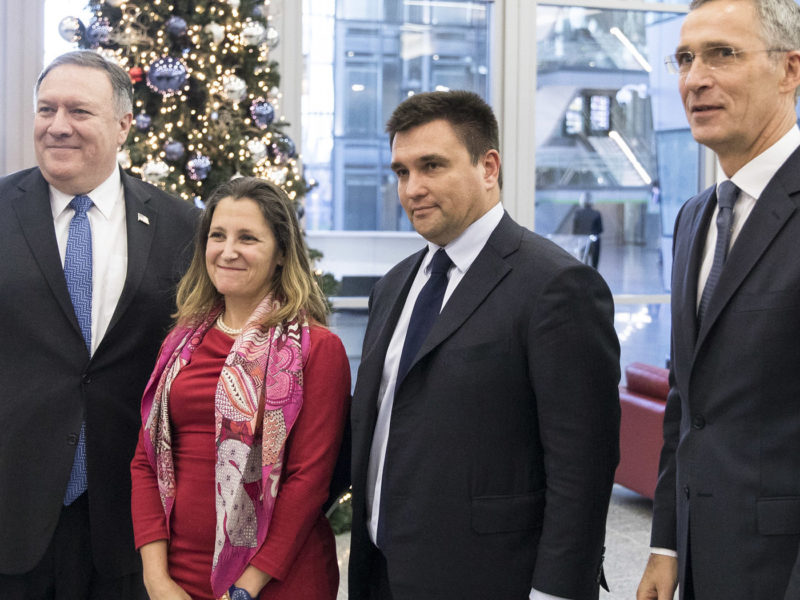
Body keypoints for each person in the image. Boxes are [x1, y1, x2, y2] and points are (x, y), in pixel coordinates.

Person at [348, 90, 621, 600]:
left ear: (488, 166)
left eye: (431, 165)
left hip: (491, 578)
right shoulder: (393, 286)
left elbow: (583, 466)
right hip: (382, 573)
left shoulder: (557, 286)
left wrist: (558, 591)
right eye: (402, 172)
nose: (413, 189)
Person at [0, 50, 197, 597]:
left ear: (123, 125)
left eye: (79, 112)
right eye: (46, 110)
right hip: (11, 515)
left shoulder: (186, 227)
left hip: (132, 526)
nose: (58, 126)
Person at [636, 0, 800, 598]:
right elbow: (688, 400)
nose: (695, 78)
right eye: (684, 58)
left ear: (790, 71)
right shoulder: (695, 217)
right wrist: (665, 543)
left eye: (722, 54)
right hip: (702, 562)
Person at [130, 177, 351, 600]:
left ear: (282, 253)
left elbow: (308, 483)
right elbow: (145, 461)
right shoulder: (180, 343)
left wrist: (244, 590)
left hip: (273, 583)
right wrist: (156, 580)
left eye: (247, 238)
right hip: (177, 580)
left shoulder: (317, 350)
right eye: (218, 236)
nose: (228, 251)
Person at [572, 191, 603, 268]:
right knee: (594, 263)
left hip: (582, 241)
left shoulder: (577, 213)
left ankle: (584, 277)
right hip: (594, 242)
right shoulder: (597, 213)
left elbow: (574, 230)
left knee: (583, 261)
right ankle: (594, 277)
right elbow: (600, 229)